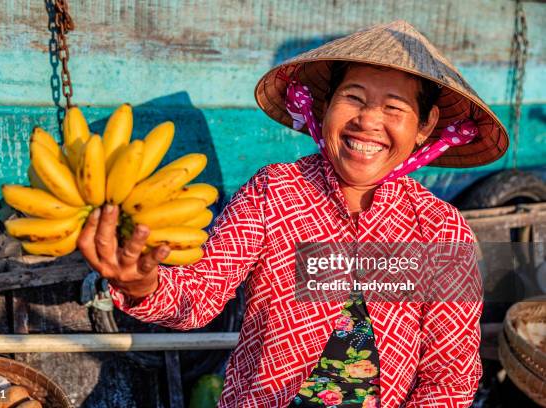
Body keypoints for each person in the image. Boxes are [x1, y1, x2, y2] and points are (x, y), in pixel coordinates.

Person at [77, 20, 508, 407]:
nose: (368, 121)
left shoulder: (440, 229)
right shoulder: (275, 192)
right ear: (325, 107)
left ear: (425, 127)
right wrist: (142, 285)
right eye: (353, 98)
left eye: (394, 108)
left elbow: (449, 378)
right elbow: (201, 293)